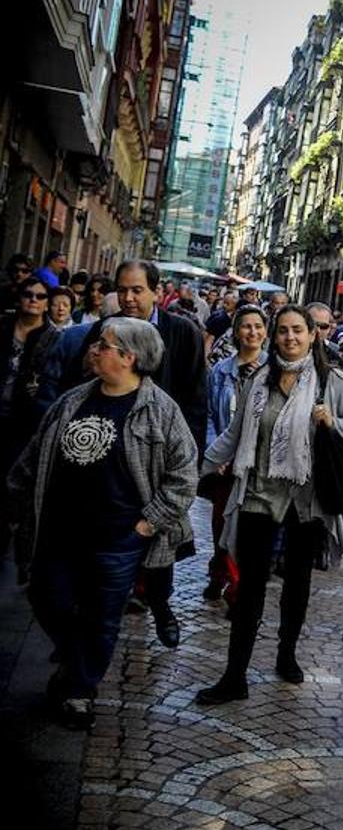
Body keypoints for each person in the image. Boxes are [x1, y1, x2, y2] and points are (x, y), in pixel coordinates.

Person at [9, 317, 197, 730]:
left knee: (101, 617)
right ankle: (77, 661)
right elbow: (34, 455)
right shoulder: (73, 400)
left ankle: (78, 689)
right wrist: (13, 499)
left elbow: (184, 477)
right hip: (59, 531)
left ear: (129, 357)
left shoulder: (161, 411)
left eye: (104, 345)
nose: (93, 349)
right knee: (47, 597)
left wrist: (147, 526)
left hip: (119, 538)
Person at [194, 305, 343, 705]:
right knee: (249, 590)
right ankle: (234, 676)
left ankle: (287, 654)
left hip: (307, 502)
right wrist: (198, 471)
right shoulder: (258, 380)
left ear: (313, 335)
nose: (290, 338)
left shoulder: (331, 380)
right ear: (273, 336)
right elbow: (234, 433)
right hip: (259, 495)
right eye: (282, 331)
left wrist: (335, 422)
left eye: (298, 330)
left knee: (297, 585)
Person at [65, 261, 208, 648]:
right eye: (123, 290)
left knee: (159, 540)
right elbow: (83, 382)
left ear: (157, 292)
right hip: (110, 458)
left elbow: (196, 399)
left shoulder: (183, 332)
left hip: (162, 459)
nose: (129, 298)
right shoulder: (105, 330)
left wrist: (188, 458)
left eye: (138, 290)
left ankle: (160, 604)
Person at [202, 305, 268, 605]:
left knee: (249, 528)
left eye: (258, 326)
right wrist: (217, 454)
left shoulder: (275, 368)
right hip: (226, 463)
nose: (252, 332)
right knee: (221, 523)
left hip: (259, 463)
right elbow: (210, 416)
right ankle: (219, 571)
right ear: (236, 332)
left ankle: (236, 586)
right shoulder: (220, 371)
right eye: (246, 326)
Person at [0, 277, 60, 549]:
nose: (33, 300)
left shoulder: (54, 338)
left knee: (12, 481)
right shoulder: (4, 326)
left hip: (26, 422)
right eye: (28, 294)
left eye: (40, 296)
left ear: (47, 302)